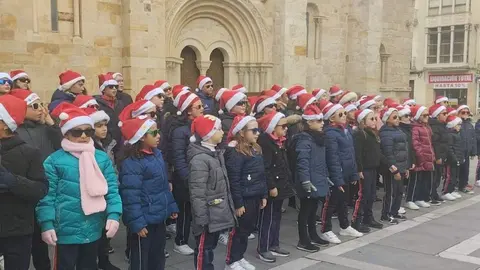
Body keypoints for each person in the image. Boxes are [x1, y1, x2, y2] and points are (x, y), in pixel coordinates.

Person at [37, 103, 122, 269]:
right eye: (77, 132)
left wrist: (114, 214)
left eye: (88, 131)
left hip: (94, 226)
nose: (83, 136)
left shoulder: (101, 158)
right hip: (65, 229)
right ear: (66, 134)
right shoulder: (54, 161)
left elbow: (111, 189)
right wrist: (46, 223)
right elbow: (47, 196)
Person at [119, 117, 178, 270]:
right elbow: (130, 196)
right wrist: (137, 223)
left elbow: (163, 186)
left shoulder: (156, 154)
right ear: (141, 137)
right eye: (154, 132)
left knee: (157, 255)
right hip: (144, 220)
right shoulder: (132, 162)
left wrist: (171, 206)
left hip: (158, 216)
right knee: (140, 259)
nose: (159, 135)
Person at [11, 89, 59, 270]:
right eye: (35, 106)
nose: (41, 109)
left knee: (42, 243)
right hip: (23, 192)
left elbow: (61, 144)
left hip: (43, 189)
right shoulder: (14, 132)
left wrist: (51, 123)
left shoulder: (45, 128)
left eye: (42, 105)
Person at [0, 95, 48, 270]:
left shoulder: (29, 153)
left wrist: (13, 182)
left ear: (5, 124)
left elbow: (41, 189)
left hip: (17, 231)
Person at [187, 115, 236, 270]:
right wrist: (201, 218)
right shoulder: (200, 160)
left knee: (210, 247)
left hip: (215, 213)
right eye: (219, 129)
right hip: (207, 217)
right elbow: (197, 193)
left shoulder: (215, 153)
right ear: (208, 134)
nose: (222, 132)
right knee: (204, 250)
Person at [225, 115, 267, 270]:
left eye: (258, 130)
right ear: (242, 133)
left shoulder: (256, 148)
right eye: (253, 130)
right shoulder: (235, 153)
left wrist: (263, 194)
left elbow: (261, 175)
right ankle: (232, 259)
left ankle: (240, 256)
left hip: (255, 195)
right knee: (239, 230)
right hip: (243, 198)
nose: (257, 133)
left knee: (247, 229)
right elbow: (234, 180)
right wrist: (238, 203)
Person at [289, 104, 330, 252]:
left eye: (322, 120)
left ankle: (313, 235)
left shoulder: (318, 138)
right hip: (308, 181)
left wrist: (326, 176)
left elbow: (321, 161)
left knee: (313, 209)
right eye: (318, 120)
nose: (322, 123)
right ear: (309, 122)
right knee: (305, 211)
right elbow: (303, 162)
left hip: (317, 178)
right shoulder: (304, 139)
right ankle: (303, 240)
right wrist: (305, 180)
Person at [320, 103, 363, 244]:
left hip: (347, 171)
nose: (344, 116)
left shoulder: (347, 131)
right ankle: (326, 229)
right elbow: (333, 157)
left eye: (345, 113)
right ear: (331, 118)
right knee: (331, 202)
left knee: (343, 201)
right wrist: (337, 179)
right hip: (336, 173)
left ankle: (345, 226)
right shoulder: (330, 134)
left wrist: (353, 173)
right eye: (340, 114)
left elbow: (351, 153)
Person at [256, 112, 295, 262]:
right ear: (273, 127)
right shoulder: (266, 143)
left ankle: (274, 244)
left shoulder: (279, 141)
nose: (286, 129)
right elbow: (266, 168)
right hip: (273, 187)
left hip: (281, 185)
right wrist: (271, 186)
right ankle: (264, 247)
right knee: (268, 218)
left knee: (276, 217)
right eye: (283, 126)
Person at [170, 91, 204, 255]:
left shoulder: (199, 126)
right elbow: (178, 157)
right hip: (185, 177)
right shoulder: (180, 131)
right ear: (188, 110)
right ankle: (180, 240)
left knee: (194, 208)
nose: (202, 108)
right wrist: (186, 177)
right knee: (184, 209)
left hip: (198, 175)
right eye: (198, 106)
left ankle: (194, 236)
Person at [352, 109, 383, 232]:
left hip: (372, 169)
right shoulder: (360, 134)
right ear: (363, 122)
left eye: (375, 118)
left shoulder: (373, 134)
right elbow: (358, 153)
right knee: (362, 196)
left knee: (370, 195)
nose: (375, 121)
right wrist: (359, 169)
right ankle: (356, 221)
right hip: (364, 169)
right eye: (371, 119)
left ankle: (368, 218)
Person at [379, 107, 409, 224]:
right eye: (394, 117)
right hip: (392, 168)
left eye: (398, 117)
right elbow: (388, 153)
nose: (398, 119)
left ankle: (394, 211)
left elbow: (404, 149)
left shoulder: (398, 130)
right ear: (387, 119)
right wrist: (394, 169)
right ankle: (386, 214)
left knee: (399, 191)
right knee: (390, 192)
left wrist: (405, 167)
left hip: (401, 165)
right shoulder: (385, 133)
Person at [94, 73, 126, 146]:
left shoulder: (120, 103)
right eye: (111, 87)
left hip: (120, 141)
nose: (114, 89)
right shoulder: (97, 103)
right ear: (104, 89)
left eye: (115, 86)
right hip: (105, 142)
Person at [428, 103, 448, 205]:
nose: (446, 115)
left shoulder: (441, 125)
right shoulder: (434, 126)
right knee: (434, 176)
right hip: (437, 156)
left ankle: (434, 193)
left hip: (442, 154)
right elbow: (435, 143)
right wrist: (438, 156)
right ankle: (431, 195)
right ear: (437, 115)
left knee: (438, 176)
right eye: (444, 113)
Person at [442, 116, 465, 201]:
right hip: (451, 160)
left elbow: (459, 148)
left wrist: (461, 157)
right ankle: (445, 191)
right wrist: (454, 158)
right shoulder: (450, 135)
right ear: (453, 125)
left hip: (457, 159)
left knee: (455, 176)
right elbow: (450, 148)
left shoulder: (457, 134)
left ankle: (451, 190)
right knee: (449, 176)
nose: (460, 126)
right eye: (458, 124)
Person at [457, 105, 477, 194]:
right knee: (457, 170)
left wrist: (473, 151)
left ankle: (463, 185)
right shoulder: (457, 123)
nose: (465, 114)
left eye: (467, 112)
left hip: (467, 151)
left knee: (465, 169)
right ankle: (456, 186)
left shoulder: (469, 125)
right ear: (459, 113)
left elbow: (473, 139)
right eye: (463, 112)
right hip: (458, 151)